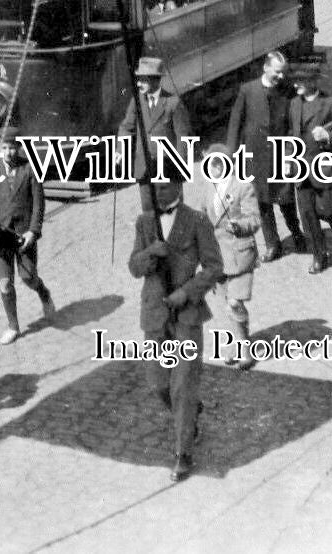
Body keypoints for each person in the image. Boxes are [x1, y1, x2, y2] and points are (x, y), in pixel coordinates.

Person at [128, 181, 222, 480]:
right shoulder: (144, 223)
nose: (159, 194)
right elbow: (133, 267)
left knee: (183, 385)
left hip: (186, 315)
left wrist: (187, 292)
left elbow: (214, 266)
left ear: (179, 188)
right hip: (154, 313)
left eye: (165, 188)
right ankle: (191, 412)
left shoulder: (197, 220)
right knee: (158, 382)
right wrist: (150, 254)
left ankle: (183, 453)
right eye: (155, 189)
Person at [0, 126, 55, 345]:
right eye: (5, 148)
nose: (9, 152)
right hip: (0, 236)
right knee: (4, 283)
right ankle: (13, 326)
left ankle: (43, 293)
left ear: (18, 148)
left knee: (28, 277)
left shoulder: (30, 169)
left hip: (23, 236)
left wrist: (33, 231)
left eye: (13, 148)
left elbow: (39, 203)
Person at [227, 52, 305, 261]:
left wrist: (291, 152)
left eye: (283, 73)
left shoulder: (288, 90)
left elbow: (293, 122)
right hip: (256, 156)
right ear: (266, 68)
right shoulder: (248, 90)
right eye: (278, 72)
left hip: (280, 153)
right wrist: (231, 155)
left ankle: (297, 233)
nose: (281, 76)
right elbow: (235, 123)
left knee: (286, 199)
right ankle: (272, 244)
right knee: (262, 203)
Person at [197, 142, 259, 368]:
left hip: (241, 256)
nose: (212, 170)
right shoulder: (207, 190)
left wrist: (239, 225)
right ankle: (237, 344)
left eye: (216, 165)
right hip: (218, 258)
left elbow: (254, 219)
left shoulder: (244, 187)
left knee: (234, 302)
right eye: (209, 166)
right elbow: (202, 221)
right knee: (227, 304)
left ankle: (246, 351)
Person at [289, 64, 332, 273]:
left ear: (312, 82)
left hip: (324, 168)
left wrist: (328, 136)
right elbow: (291, 134)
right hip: (301, 168)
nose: (296, 84)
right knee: (307, 214)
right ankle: (319, 256)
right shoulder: (294, 104)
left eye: (300, 81)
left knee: (326, 210)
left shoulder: (330, 103)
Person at [117, 57, 192, 201]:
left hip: (168, 170)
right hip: (144, 169)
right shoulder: (137, 101)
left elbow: (183, 138)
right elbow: (126, 127)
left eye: (143, 80)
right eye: (138, 79)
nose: (139, 84)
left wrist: (180, 168)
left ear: (156, 80)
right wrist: (120, 149)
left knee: (173, 211)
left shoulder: (173, 103)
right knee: (149, 215)